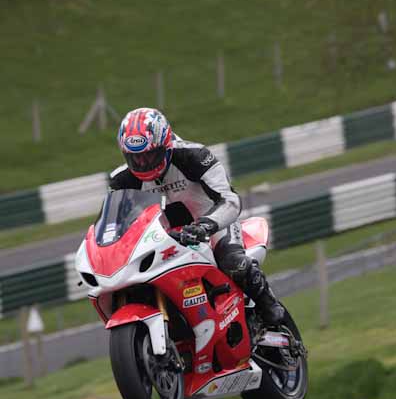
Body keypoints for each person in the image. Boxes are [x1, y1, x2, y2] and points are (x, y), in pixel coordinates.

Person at [110, 107, 284, 326]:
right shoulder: (121, 180)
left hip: (212, 224)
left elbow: (230, 200)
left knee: (233, 263)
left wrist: (205, 226)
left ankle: (270, 307)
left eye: (149, 155)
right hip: (164, 239)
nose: (143, 163)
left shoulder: (194, 156)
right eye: (135, 158)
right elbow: (115, 225)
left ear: (165, 146)